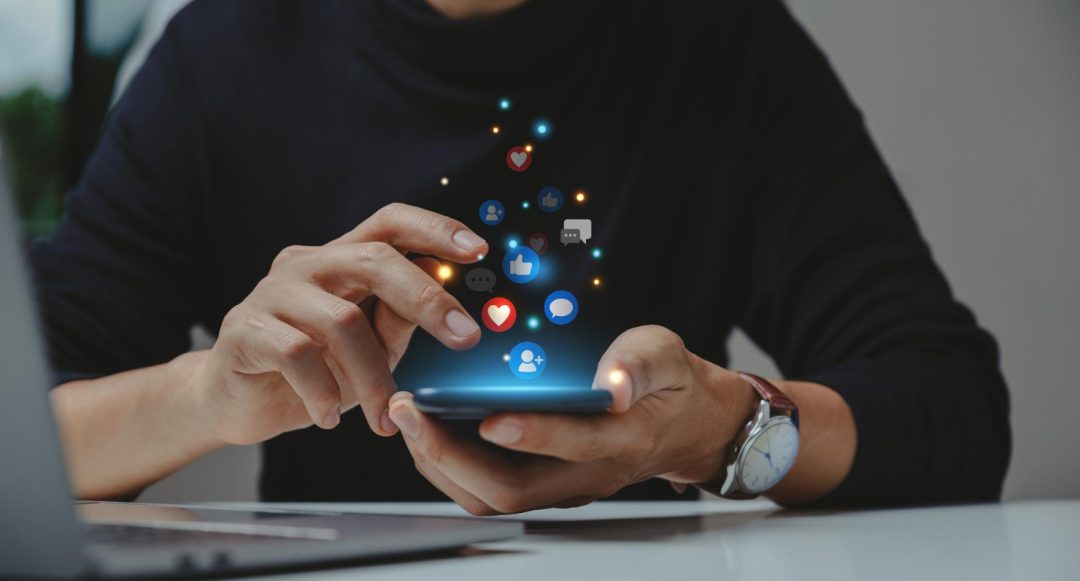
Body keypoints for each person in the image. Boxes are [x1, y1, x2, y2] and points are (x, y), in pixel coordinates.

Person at [31, 0, 1010, 512]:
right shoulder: (225, 54)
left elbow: (951, 407)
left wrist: (717, 432)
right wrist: (207, 397)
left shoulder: (719, 40)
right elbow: (21, 439)